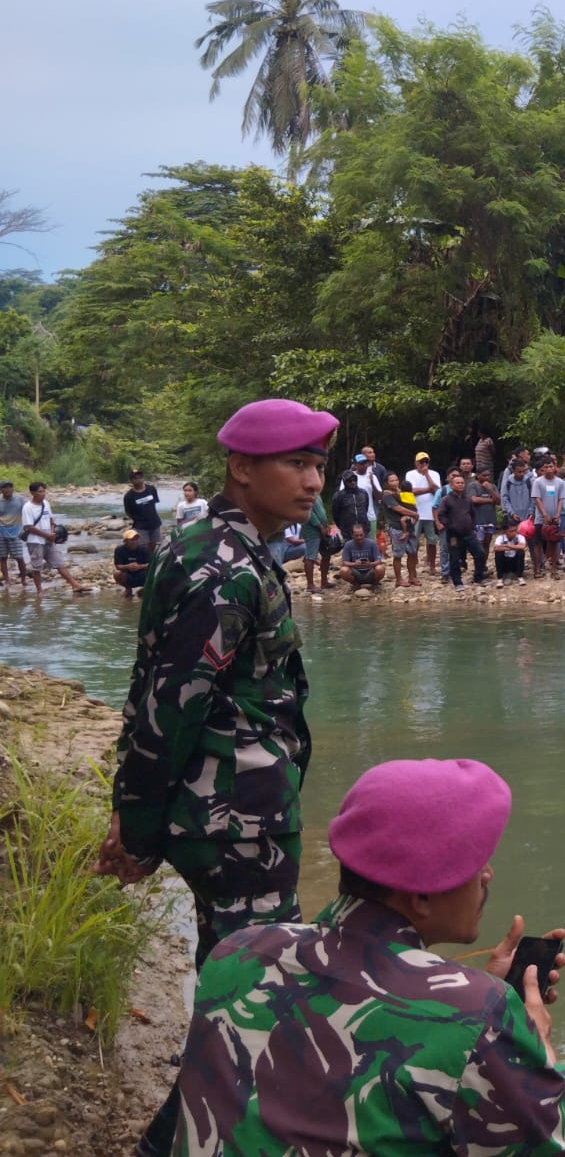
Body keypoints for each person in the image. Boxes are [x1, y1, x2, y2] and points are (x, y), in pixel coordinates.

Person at [91, 399, 337, 1157]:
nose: (311, 481)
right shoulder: (221, 569)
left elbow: (160, 697)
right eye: (296, 464)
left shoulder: (223, 548)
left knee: (236, 990)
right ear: (242, 469)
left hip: (234, 812)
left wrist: (140, 820)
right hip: (236, 822)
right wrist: (136, 829)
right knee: (255, 1001)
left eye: (318, 466)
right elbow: (170, 707)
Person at [169, 758, 565, 1155]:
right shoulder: (475, 1017)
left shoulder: (238, 950)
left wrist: (478, 994)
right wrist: (540, 1049)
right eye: (475, 863)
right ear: (420, 894)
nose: (487, 875)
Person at [20, 481, 88, 595]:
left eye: (44, 491)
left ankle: (75, 585)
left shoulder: (46, 504)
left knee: (59, 563)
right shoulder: (27, 507)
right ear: (32, 493)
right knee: (37, 567)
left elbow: (51, 520)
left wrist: (52, 534)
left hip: (49, 540)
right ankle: (39, 591)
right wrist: (47, 535)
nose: (43, 494)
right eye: (40, 492)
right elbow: (29, 527)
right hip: (35, 542)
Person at [438, 470, 487, 590]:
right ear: (451, 485)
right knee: (455, 558)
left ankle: (478, 578)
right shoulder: (446, 499)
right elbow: (441, 514)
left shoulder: (467, 499)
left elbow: (472, 513)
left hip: (468, 532)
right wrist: (448, 524)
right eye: (457, 483)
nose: (460, 485)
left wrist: (473, 526)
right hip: (453, 534)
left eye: (462, 483)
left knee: (480, 553)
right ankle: (457, 582)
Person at [404, 453, 442, 577]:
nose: (423, 464)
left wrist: (427, 475)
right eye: (421, 462)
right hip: (415, 511)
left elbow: (437, 490)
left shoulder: (434, 474)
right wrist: (428, 489)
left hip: (430, 512)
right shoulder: (410, 474)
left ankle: (431, 565)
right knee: (413, 539)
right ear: (416, 463)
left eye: (426, 461)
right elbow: (411, 491)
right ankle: (413, 566)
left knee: (432, 540)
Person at [380, 472, 419, 586]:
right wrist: (414, 514)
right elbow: (398, 508)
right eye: (391, 481)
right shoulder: (387, 496)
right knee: (398, 554)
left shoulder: (401, 493)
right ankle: (399, 579)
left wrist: (413, 515)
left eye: (396, 480)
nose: (394, 482)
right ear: (387, 483)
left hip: (410, 524)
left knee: (412, 552)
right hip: (396, 527)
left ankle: (412, 576)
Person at [337, 521, 385, 592]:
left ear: (364, 534)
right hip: (355, 571)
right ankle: (355, 584)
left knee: (380, 568)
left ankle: (375, 584)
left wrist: (370, 563)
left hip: (370, 570)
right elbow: (344, 562)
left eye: (361, 535)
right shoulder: (348, 545)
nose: (359, 537)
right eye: (356, 535)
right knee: (343, 570)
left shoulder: (372, 543)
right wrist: (354, 564)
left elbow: (379, 560)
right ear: (352, 535)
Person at [124, 469, 163, 551]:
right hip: (140, 526)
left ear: (143, 478)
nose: (138, 480)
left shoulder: (151, 489)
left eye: (140, 477)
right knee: (143, 548)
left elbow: (154, 503)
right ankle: (145, 563)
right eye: (135, 478)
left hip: (154, 523)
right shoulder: (129, 496)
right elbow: (128, 512)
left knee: (157, 547)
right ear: (131, 481)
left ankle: (154, 563)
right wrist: (138, 519)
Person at [0, 480, 28, 589]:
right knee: (2, 558)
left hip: (15, 532)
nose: (6, 490)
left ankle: (24, 580)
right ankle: (7, 580)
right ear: (1, 490)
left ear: (13, 489)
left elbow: (27, 513)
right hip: (1, 532)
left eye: (8, 487)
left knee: (19, 558)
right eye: (4, 488)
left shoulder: (20, 500)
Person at [113, 529, 150, 598]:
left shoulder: (143, 548)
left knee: (153, 571)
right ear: (125, 541)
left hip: (142, 573)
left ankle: (146, 588)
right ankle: (128, 589)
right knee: (116, 573)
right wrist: (128, 566)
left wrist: (140, 566)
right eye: (132, 539)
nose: (134, 542)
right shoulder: (119, 550)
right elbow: (118, 566)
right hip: (128, 575)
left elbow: (150, 564)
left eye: (136, 539)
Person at [492, 515, 528, 585]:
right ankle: (500, 578)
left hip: (515, 562)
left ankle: (520, 577)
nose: (514, 533)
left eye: (515, 530)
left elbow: (522, 546)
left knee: (521, 552)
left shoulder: (520, 537)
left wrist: (506, 545)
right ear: (505, 531)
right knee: (498, 553)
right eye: (511, 531)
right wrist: (515, 547)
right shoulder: (500, 538)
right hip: (505, 563)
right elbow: (496, 548)